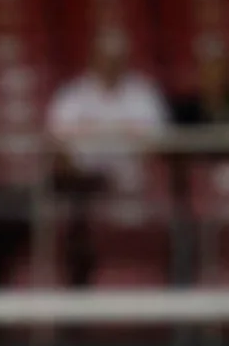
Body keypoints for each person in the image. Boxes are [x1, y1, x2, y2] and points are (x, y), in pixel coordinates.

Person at [46, 29, 170, 284]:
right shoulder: (73, 95)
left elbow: (158, 145)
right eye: (104, 58)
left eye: (115, 59)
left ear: (125, 60)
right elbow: (57, 145)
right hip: (83, 185)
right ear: (93, 58)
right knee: (74, 195)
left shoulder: (143, 95)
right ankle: (78, 279)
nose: (110, 65)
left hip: (135, 181)